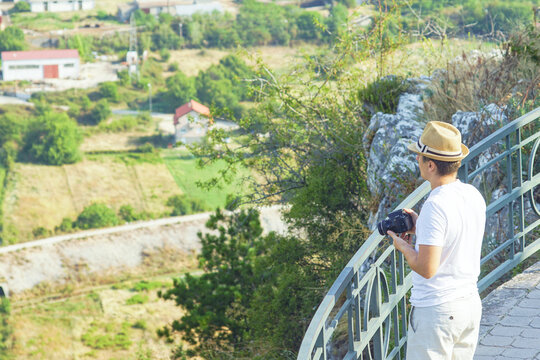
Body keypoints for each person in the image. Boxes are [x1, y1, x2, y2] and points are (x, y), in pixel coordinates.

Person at [388, 121, 486, 360]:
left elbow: (426, 268)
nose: (417, 161)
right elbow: (455, 234)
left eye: (420, 157)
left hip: (438, 312)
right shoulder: (472, 194)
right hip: (468, 304)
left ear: (430, 165)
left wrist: (403, 247)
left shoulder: (436, 204)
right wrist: (420, 226)